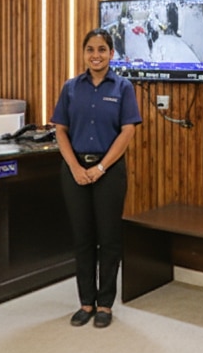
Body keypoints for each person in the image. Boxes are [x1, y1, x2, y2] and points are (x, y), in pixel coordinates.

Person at [51, 28, 142, 328]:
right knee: (83, 238)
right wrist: (75, 168)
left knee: (109, 238)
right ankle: (86, 302)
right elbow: (60, 130)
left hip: (109, 171)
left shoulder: (123, 88)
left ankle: (105, 304)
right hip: (75, 170)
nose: (96, 55)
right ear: (83, 53)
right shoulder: (71, 88)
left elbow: (127, 131)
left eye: (102, 49)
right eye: (90, 49)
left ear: (112, 53)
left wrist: (100, 168)